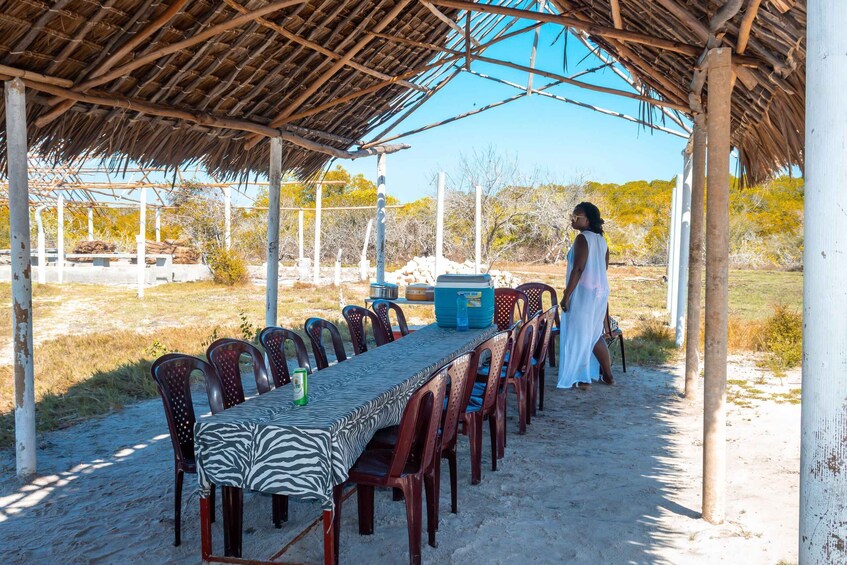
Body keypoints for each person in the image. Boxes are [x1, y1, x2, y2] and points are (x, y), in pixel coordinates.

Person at [557, 202, 615, 390]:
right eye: (572, 216)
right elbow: (603, 268)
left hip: (584, 294)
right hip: (599, 292)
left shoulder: (583, 238)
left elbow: (578, 268)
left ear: (588, 219)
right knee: (593, 334)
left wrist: (567, 296)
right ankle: (606, 375)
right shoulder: (602, 240)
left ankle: (582, 378)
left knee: (579, 334)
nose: (572, 220)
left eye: (577, 216)